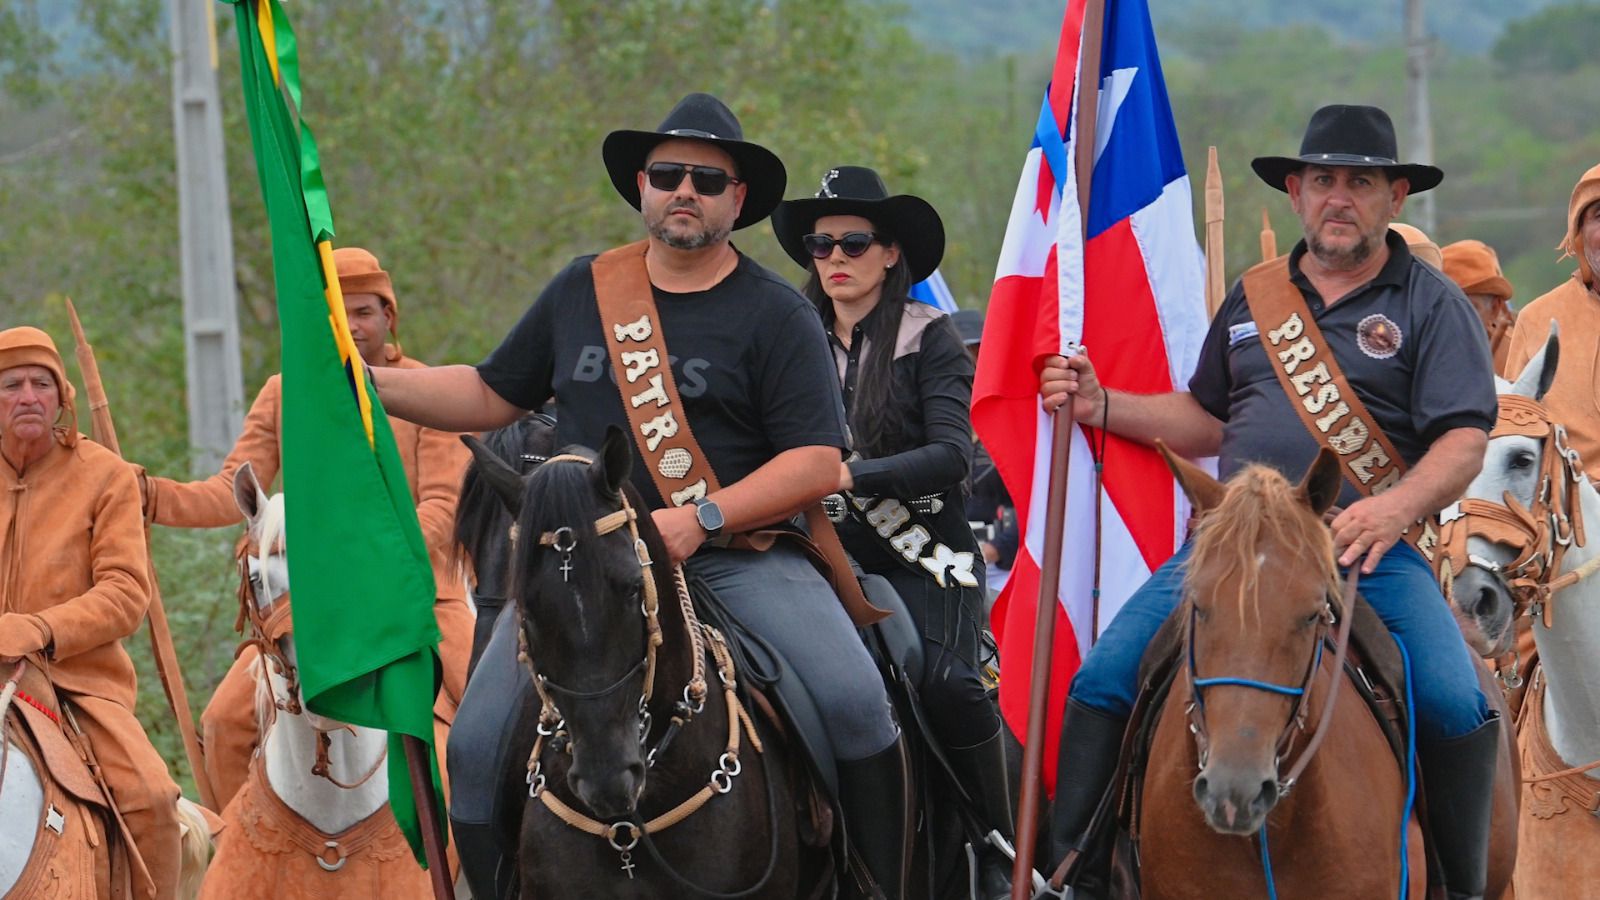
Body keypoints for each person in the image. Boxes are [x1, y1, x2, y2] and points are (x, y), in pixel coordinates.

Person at [371, 93, 907, 899]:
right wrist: (364, 387)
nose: (684, 190)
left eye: (706, 178)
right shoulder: (581, 289)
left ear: (738, 200)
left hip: (734, 559)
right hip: (577, 567)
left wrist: (702, 517)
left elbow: (818, 461)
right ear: (641, 186)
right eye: (668, 174)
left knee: (857, 704)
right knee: (474, 750)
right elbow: (489, 393)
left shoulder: (778, 314)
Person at [1037, 105, 1500, 900]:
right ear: (1296, 191)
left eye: (1362, 182)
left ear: (1394, 197)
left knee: (1458, 704)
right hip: (1229, 556)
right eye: (1324, 180)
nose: (1340, 198)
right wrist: (1105, 405)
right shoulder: (1253, 298)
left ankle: (1460, 888)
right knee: (1102, 679)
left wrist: (1392, 511)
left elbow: (1463, 440)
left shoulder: (1433, 304)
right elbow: (1208, 418)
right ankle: (1071, 879)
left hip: (1362, 552)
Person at [137, 247, 473, 810]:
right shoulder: (283, 390)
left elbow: (442, 507)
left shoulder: (425, 389)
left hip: (418, 601)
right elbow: (231, 491)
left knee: (486, 724)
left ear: (389, 316)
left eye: (363, 311)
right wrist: (148, 496)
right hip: (304, 607)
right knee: (223, 724)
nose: (350, 324)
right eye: (336, 312)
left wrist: (365, 559)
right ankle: (240, 850)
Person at [770, 166, 1012, 897]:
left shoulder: (929, 337)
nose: (835, 258)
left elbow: (950, 456)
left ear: (889, 254)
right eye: (820, 244)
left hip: (926, 561)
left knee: (948, 687)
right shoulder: (788, 333)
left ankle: (998, 850)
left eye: (853, 241)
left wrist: (846, 477)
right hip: (808, 560)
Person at [0, 326, 182, 898]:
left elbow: (127, 591)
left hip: (75, 682)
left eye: (41, 383)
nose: (28, 396)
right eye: (11, 385)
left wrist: (40, 627)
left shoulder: (105, 474)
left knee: (152, 797)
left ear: (62, 398)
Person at [1504, 164, 1600, 475]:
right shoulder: (1538, 319)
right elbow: (1513, 429)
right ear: (1579, 234)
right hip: (1571, 509)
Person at [951, 308, 1019, 594]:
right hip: (942, 560)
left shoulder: (1016, 422)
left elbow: (1039, 500)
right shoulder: (930, 422)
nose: (970, 365)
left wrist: (994, 549)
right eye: (961, 355)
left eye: (978, 352)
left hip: (1003, 566)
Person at [1442, 239, 1517, 377]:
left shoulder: (1516, 359)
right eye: (1446, 307)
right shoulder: (1423, 351)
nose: (1456, 317)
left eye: (1471, 308)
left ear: (1494, 309)